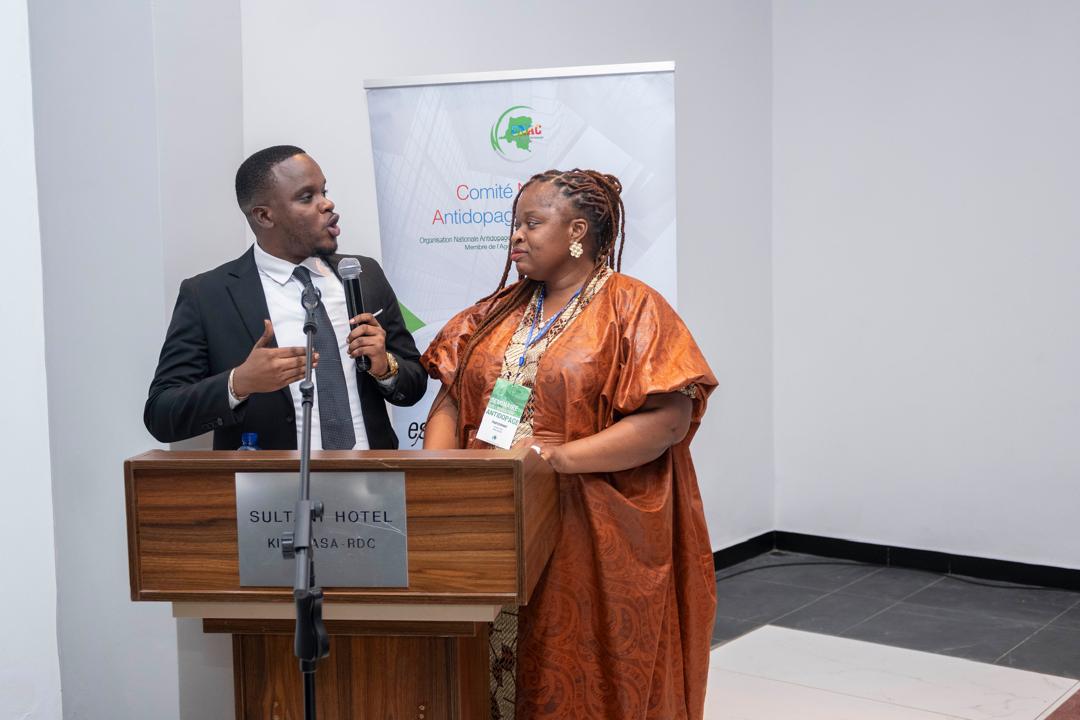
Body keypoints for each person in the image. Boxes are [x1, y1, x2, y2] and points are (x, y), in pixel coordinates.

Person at [421, 169, 717, 719]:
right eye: (515, 223)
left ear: (578, 231)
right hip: (487, 517)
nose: (516, 235)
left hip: (586, 521)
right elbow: (452, 398)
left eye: (532, 223)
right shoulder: (495, 312)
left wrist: (558, 458)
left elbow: (668, 420)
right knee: (480, 664)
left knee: (572, 660)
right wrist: (438, 480)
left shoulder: (633, 307)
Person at [145, 145, 425, 450]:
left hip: (374, 475)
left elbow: (414, 384)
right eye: (307, 197)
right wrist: (239, 382)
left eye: (323, 191)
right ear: (265, 216)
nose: (327, 204)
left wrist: (385, 366)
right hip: (272, 479)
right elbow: (161, 414)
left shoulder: (363, 275)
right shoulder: (208, 295)